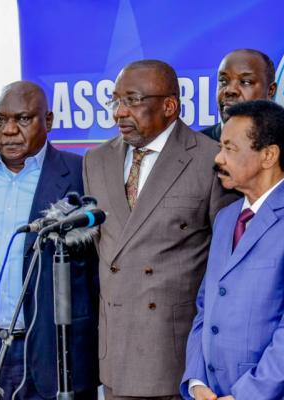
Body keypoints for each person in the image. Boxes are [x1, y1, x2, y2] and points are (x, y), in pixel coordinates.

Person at [82, 60, 237, 399]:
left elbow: (228, 264)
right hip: (115, 355)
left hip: (175, 355)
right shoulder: (95, 161)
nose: (119, 112)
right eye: (115, 100)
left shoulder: (211, 159)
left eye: (132, 100)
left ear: (169, 106)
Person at [0, 81, 99, 399]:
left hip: (56, 347)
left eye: (22, 119)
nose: (9, 131)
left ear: (49, 120)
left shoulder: (82, 172)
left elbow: (95, 267)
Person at [181, 100, 284, 399]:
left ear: (268, 155)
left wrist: (247, 395)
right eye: (220, 146)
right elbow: (205, 306)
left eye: (230, 148)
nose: (218, 158)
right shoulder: (227, 219)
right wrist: (197, 381)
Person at [201, 49, 284, 193]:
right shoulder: (199, 144)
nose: (230, 90)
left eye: (245, 82)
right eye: (223, 81)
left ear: (271, 90)